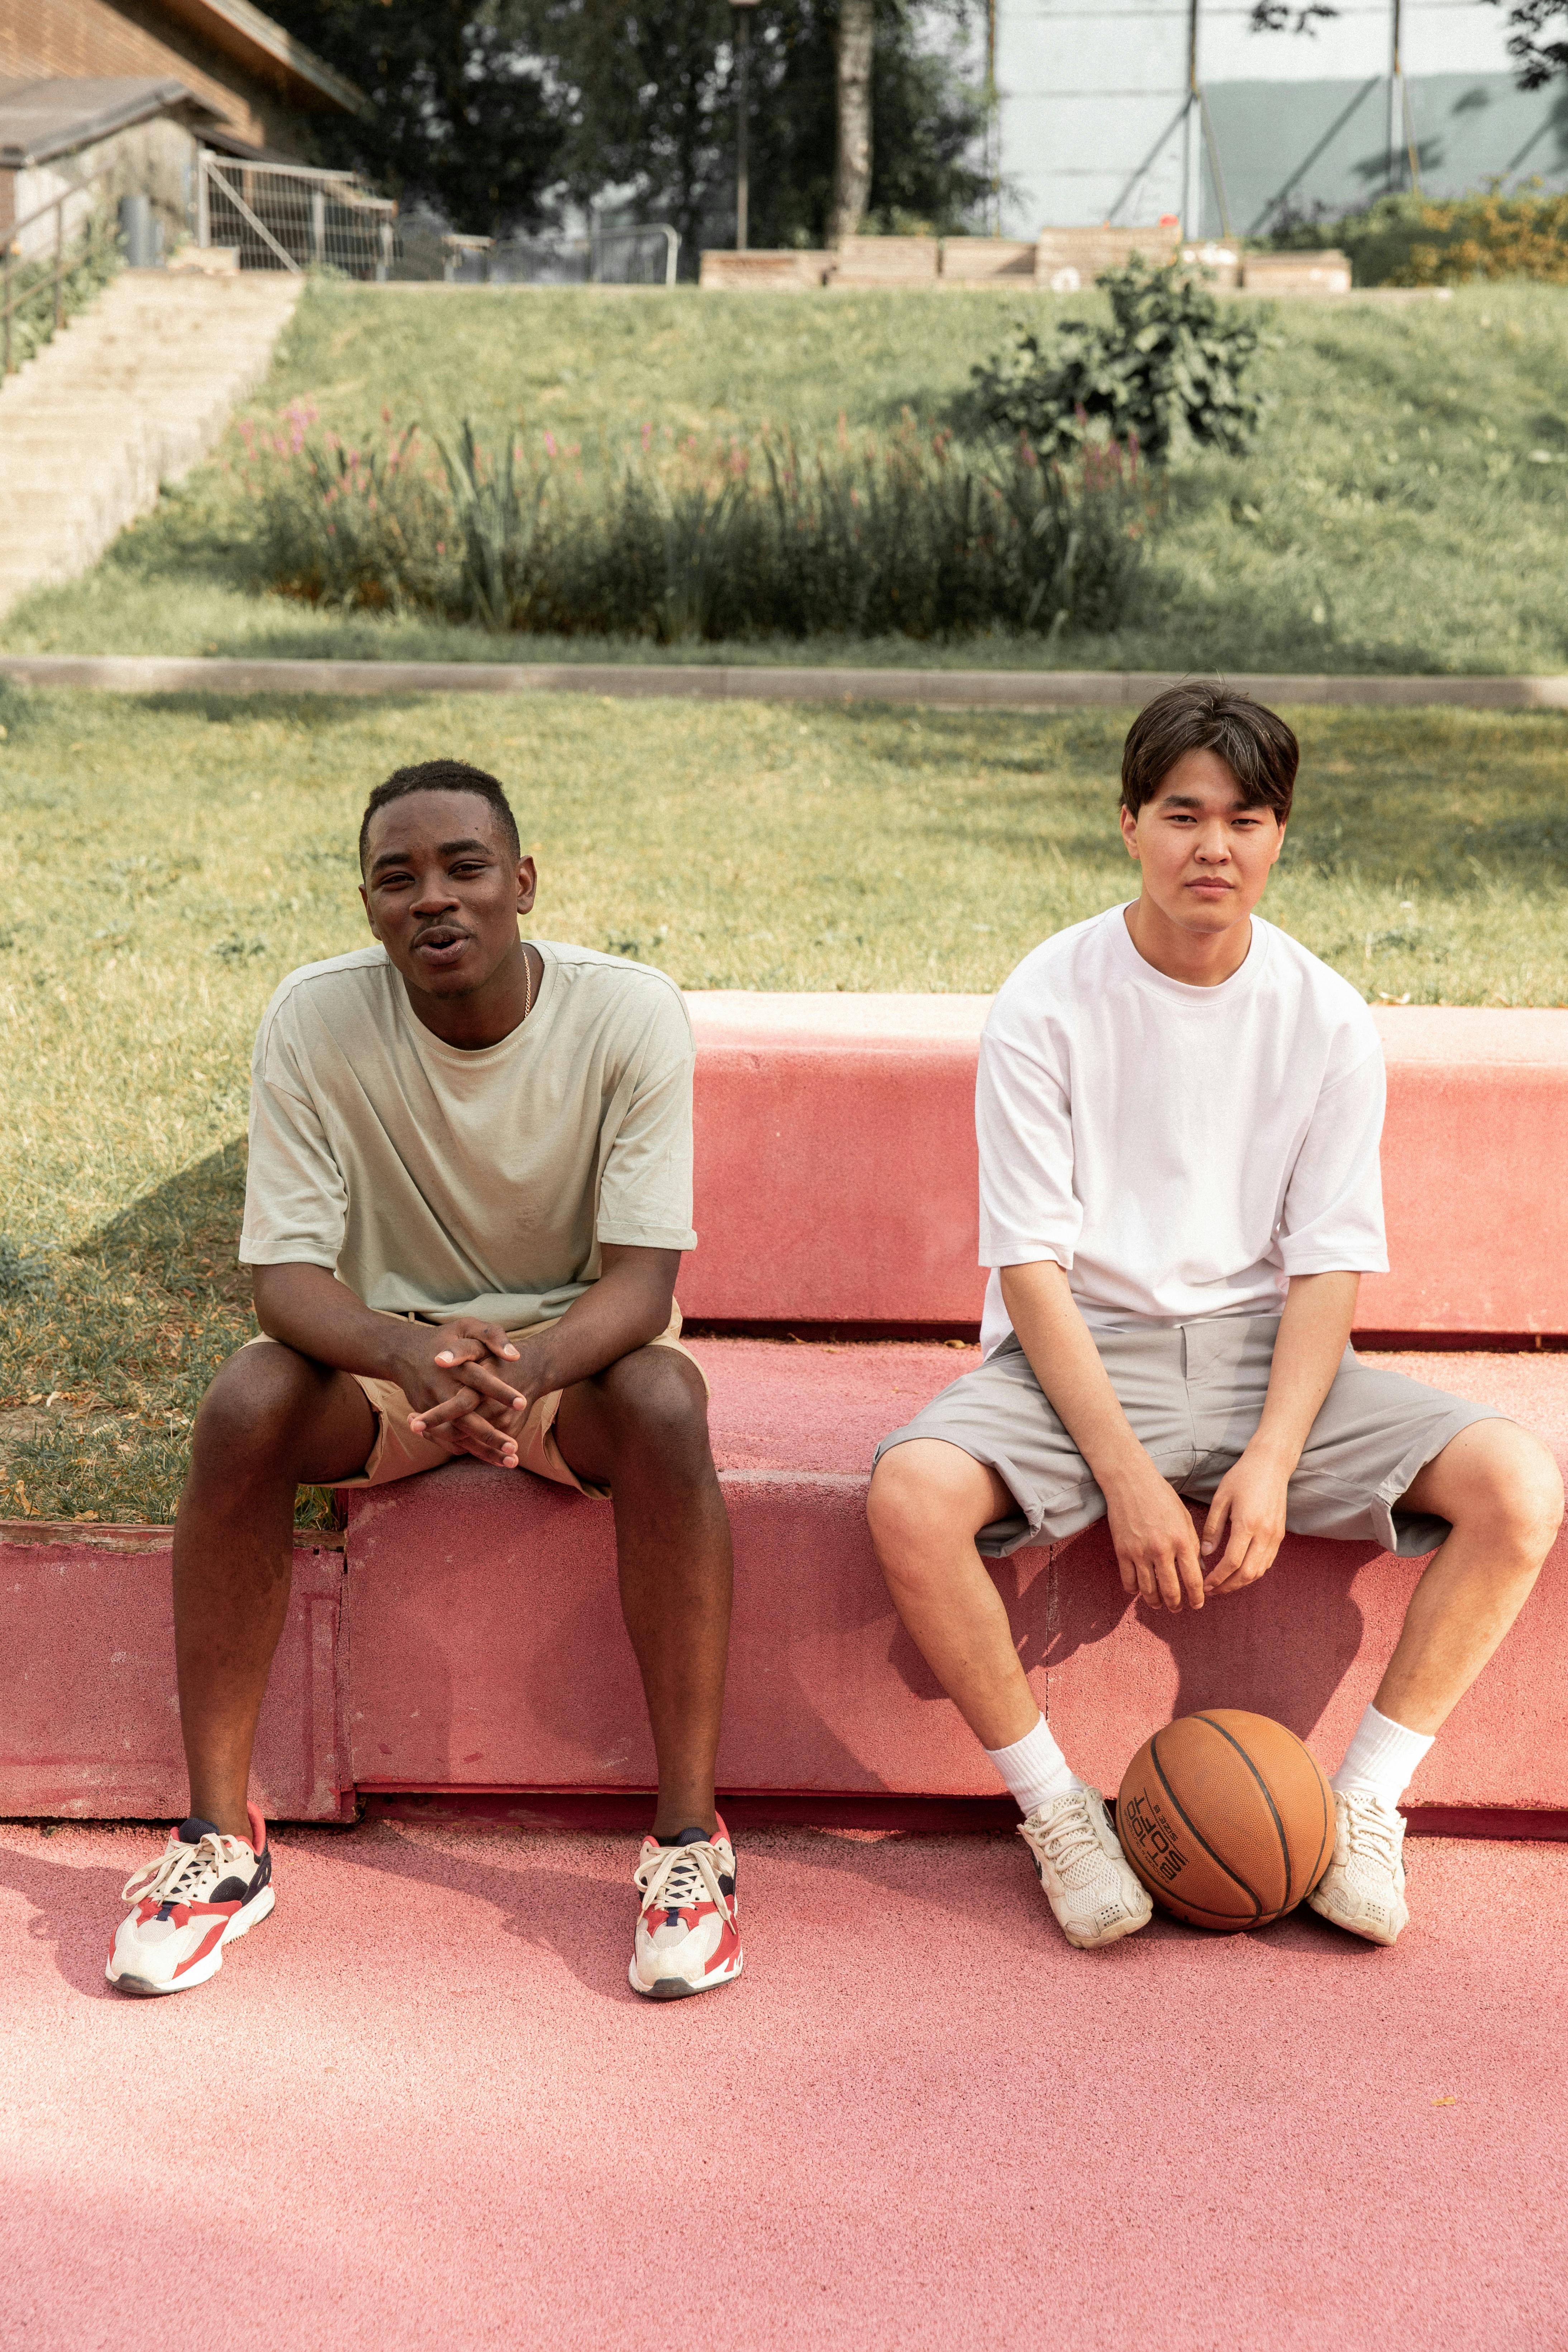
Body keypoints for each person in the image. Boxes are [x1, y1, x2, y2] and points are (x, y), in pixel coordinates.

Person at [866, 682, 1562, 1952]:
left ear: (1281, 836)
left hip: (1266, 1357)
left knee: (1520, 1483)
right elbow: (1030, 1268)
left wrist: (1276, 1455)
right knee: (910, 1492)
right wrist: (1127, 1473)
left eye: (1246, 819)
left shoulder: (1327, 1017)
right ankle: (1057, 1811)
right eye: (1183, 815)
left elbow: (1329, 1269)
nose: (1214, 847)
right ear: (1128, 823)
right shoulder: (1047, 997)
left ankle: (1361, 1805)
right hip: (1080, 1351)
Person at [108, 758, 741, 2003]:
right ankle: (219, 1843)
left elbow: (646, 1281)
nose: (433, 899)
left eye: (463, 868)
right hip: (391, 1362)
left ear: (522, 882)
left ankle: (689, 1846)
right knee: (244, 1400)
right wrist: (407, 1352)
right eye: (398, 879)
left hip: (571, 1362)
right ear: (367, 906)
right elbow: (284, 1282)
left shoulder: (630, 1014)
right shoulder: (313, 1016)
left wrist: (534, 1366)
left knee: (672, 1402)